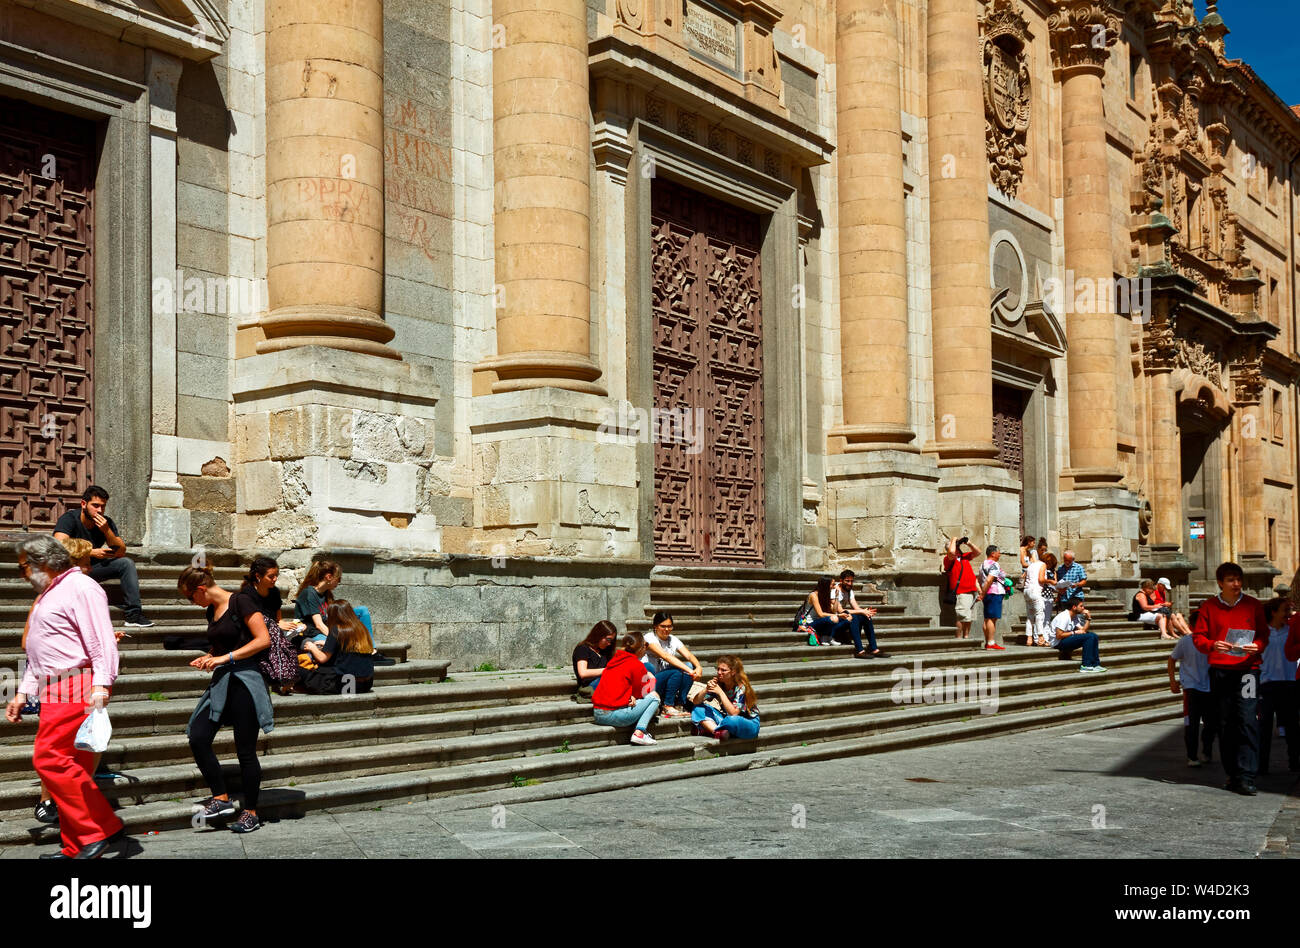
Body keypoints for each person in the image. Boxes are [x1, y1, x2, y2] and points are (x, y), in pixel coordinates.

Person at [5, 536, 124, 859]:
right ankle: (78, 844)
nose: (22, 575)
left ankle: (98, 829)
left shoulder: (82, 588)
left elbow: (102, 642)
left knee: (48, 759)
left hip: (76, 685)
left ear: (43, 562)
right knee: (75, 770)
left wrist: (101, 685)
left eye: (23, 567)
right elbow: (40, 652)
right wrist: (22, 693)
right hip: (55, 685)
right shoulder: (51, 593)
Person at [178, 561, 276, 833]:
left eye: (189, 597)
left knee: (245, 750)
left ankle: (251, 812)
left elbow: (263, 639)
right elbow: (222, 643)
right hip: (223, 681)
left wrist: (225, 657)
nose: (190, 602)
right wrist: (210, 657)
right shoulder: (212, 609)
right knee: (198, 736)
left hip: (246, 681)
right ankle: (220, 798)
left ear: (201, 589)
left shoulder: (241, 602)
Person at [1191, 561, 1270, 796]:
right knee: (1224, 722)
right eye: (1230, 580)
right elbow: (1198, 638)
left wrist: (1256, 646)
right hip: (1221, 671)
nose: (1236, 584)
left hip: (1248, 671)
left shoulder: (1253, 605)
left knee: (1247, 719)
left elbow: (1264, 636)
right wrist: (1212, 644)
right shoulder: (1209, 607)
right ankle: (1232, 773)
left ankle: (1247, 775)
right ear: (1220, 583)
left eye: (1238, 579)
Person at [53, 485, 153, 627]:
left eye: (103, 506)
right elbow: (58, 545)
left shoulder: (106, 522)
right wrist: (91, 552)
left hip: (91, 569)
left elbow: (120, 551)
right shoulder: (69, 518)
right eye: (95, 505)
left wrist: (107, 531)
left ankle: (133, 616)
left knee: (126, 563)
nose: (99, 510)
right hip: (70, 571)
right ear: (83, 504)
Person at [293, 560, 395, 665]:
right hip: (313, 633)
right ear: (329, 577)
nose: (339, 582)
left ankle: (370, 650)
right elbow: (319, 625)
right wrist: (339, 639)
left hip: (329, 628)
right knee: (336, 646)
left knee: (362, 611)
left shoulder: (326, 593)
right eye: (338, 578)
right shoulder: (309, 593)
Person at [591, 632, 660, 746]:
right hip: (612, 715)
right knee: (654, 698)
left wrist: (631, 695)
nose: (646, 649)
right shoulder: (636, 665)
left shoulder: (614, 661)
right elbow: (643, 693)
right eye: (645, 645)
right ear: (640, 648)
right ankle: (640, 733)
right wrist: (652, 679)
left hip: (598, 714)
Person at [1258, 597, 1299, 775]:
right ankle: (1262, 765)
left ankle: (1295, 763)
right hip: (1266, 685)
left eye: (1291, 610)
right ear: (1274, 612)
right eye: (1285, 610)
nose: (1289, 614)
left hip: (1289, 683)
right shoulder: (1262, 632)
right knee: (1264, 728)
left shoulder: (1292, 631)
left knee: (1292, 728)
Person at [299, 600, 376, 694]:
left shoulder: (337, 629)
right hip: (365, 685)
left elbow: (322, 658)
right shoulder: (362, 629)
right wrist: (327, 643)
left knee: (298, 670)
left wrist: (312, 647)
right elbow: (347, 647)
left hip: (342, 684)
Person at [1167, 625, 1216, 767]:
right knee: (1192, 723)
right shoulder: (1186, 641)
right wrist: (1173, 681)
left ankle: (1206, 751)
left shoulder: (1213, 640)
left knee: (1210, 723)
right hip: (1191, 687)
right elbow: (1172, 659)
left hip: (1209, 687)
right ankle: (1192, 755)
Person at [643, 612, 703, 717]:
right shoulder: (649, 637)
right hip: (649, 683)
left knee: (689, 665)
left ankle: (680, 704)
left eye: (669, 626)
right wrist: (690, 671)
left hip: (666, 680)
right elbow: (665, 656)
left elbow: (688, 655)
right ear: (655, 626)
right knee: (679, 670)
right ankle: (667, 705)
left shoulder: (673, 639)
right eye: (663, 626)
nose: (666, 629)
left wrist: (698, 667)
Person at [689, 655, 759, 741]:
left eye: (723, 670)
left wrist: (720, 693)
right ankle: (718, 732)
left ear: (733, 672)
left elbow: (734, 713)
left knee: (731, 720)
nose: (719, 672)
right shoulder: (720, 685)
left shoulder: (741, 687)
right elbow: (696, 701)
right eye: (718, 669)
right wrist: (706, 689)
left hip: (747, 724)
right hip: (727, 719)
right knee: (698, 708)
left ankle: (707, 730)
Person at [832, 570, 889, 659]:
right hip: (834, 620)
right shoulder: (834, 590)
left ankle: (874, 648)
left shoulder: (849, 590)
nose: (850, 583)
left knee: (866, 617)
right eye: (847, 581)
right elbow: (840, 611)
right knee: (854, 616)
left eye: (851, 581)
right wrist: (862, 611)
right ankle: (860, 651)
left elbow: (856, 607)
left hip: (844, 619)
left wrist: (866, 612)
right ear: (841, 580)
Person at [1047, 597, 1106, 673]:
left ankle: (1095, 664)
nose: (1083, 608)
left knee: (1093, 636)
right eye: (1081, 606)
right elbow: (1058, 635)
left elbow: (1083, 631)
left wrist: (1088, 619)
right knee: (1089, 637)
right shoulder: (1064, 617)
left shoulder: (1074, 617)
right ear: (1074, 607)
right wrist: (1074, 632)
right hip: (1058, 643)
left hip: (1066, 639)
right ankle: (1086, 665)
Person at [942, 536, 980, 640]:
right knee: (962, 616)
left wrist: (969, 543)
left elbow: (978, 552)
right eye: (955, 546)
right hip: (962, 591)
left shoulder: (964, 557)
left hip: (972, 590)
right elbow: (951, 553)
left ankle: (966, 636)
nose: (957, 548)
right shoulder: (948, 559)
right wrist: (954, 540)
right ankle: (958, 638)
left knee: (970, 617)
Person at [572, 620, 617, 697]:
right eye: (608, 639)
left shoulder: (605, 651)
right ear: (599, 635)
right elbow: (583, 673)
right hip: (590, 685)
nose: (609, 643)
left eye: (611, 641)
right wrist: (607, 671)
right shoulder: (583, 648)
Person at [803, 576, 851, 646]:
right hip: (810, 623)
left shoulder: (825, 594)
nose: (834, 587)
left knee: (848, 618)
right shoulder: (813, 595)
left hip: (821, 621)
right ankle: (825, 637)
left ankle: (828, 636)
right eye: (833, 584)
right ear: (826, 585)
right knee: (834, 618)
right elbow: (821, 614)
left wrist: (836, 597)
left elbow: (834, 611)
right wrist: (839, 615)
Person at [977, 545, 1007, 651]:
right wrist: (983, 593)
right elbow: (989, 580)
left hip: (988, 593)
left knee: (987, 619)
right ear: (993, 553)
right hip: (994, 593)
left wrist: (982, 592)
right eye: (998, 552)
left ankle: (988, 641)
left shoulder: (982, 564)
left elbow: (980, 579)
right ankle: (991, 642)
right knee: (992, 619)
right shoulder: (994, 564)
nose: (1000, 554)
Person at [1022, 546, 1049, 647]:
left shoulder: (1029, 566)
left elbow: (1025, 579)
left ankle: (1029, 638)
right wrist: (1050, 581)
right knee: (1039, 614)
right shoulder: (1042, 564)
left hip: (1027, 590)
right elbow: (1041, 579)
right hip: (1035, 590)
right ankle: (1041, 637)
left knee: (1030, 616)